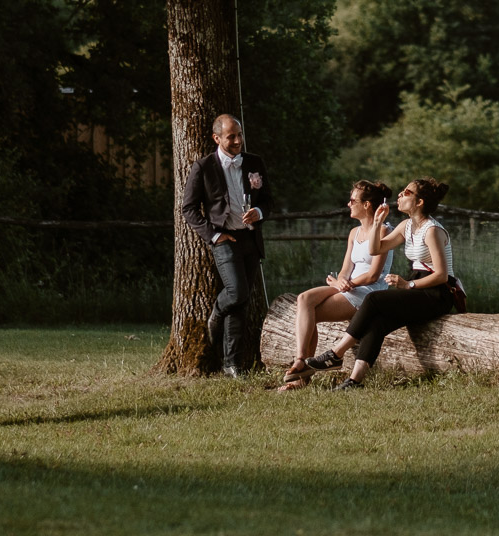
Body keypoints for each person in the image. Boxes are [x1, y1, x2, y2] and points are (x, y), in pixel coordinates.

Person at [294, 176, 457, 389]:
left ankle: (336, 354)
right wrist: (378, 222)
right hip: (419, 286)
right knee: (377, 323)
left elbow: (442, 275)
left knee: (373, 299)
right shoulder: (406, 226)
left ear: (419, 202)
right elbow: (375, 249)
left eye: (407, 193)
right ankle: (354, 381)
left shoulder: (432, 230)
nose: (400, 194)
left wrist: (408, 285)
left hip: (439, 292)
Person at [178, 113, 272, 376]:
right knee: (238, 292)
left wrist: (259, 213)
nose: (237, 141)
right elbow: (188, 209)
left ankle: (231, 364)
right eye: (231, 136)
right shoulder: (204, 167)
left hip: (250, 238)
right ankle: (217, 312)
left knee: (241, 304)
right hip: (224, 239)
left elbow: (268, 200)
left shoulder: (254, 163)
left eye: (239, 135)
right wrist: (214, 235)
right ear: (217, 138)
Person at [277, 180, 393, 391]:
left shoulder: (384, 231)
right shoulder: (353, 233)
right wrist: (340, 280)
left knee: (311, 313)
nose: (348, 204)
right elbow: (345, 269)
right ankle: (301, 360)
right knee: (304, 299)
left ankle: (302, 375)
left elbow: (374, 274)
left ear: (367, 205)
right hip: (349, 286)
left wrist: (346, 284)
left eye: (352, 200)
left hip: (368, 292)